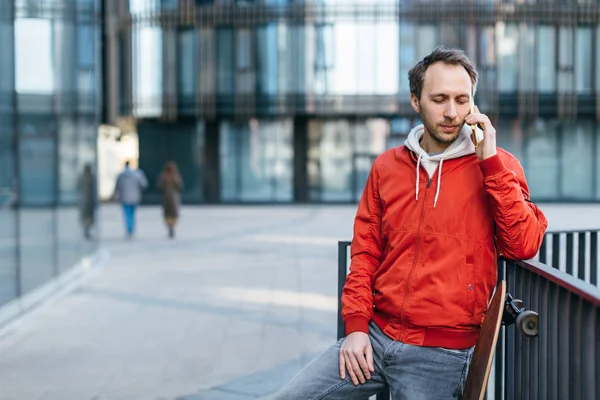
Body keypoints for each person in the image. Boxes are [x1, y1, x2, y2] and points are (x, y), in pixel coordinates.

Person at [274, 47, 548, 399]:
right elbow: (365, 253)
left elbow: (524, 243)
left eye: (462, 100)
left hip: (441, 355)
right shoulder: (387, 167)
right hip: (374, 337)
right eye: (440, 99)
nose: (452, 113)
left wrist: (490, 164)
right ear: (416, 101)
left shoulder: (498, 166)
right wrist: (356, 327)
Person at [113, 161, 148, 238]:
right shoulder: (137, 175)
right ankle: (131, 230)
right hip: (134, 197)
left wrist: (114, 196)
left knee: (127, 214)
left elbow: (116, 187)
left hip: (124, 198)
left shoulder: (120, 175)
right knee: (132, 214)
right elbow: (144, 184)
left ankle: (129, 230)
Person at [157, 161, 183, 239]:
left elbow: (160, 187)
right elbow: (180, 186)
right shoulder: (175, 176)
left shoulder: (163, 176)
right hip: (173, 198)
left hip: (166, 198)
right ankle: (172, 226)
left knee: (168, 214)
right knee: (173, 213)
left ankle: (170, 226)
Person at [77, 164, 96, 240]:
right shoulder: (90, 178)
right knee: (87, 217)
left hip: (85, 201)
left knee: (86, 217)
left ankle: (86, 230)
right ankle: (86, 231)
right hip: (88, 201)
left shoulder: (82, 177)